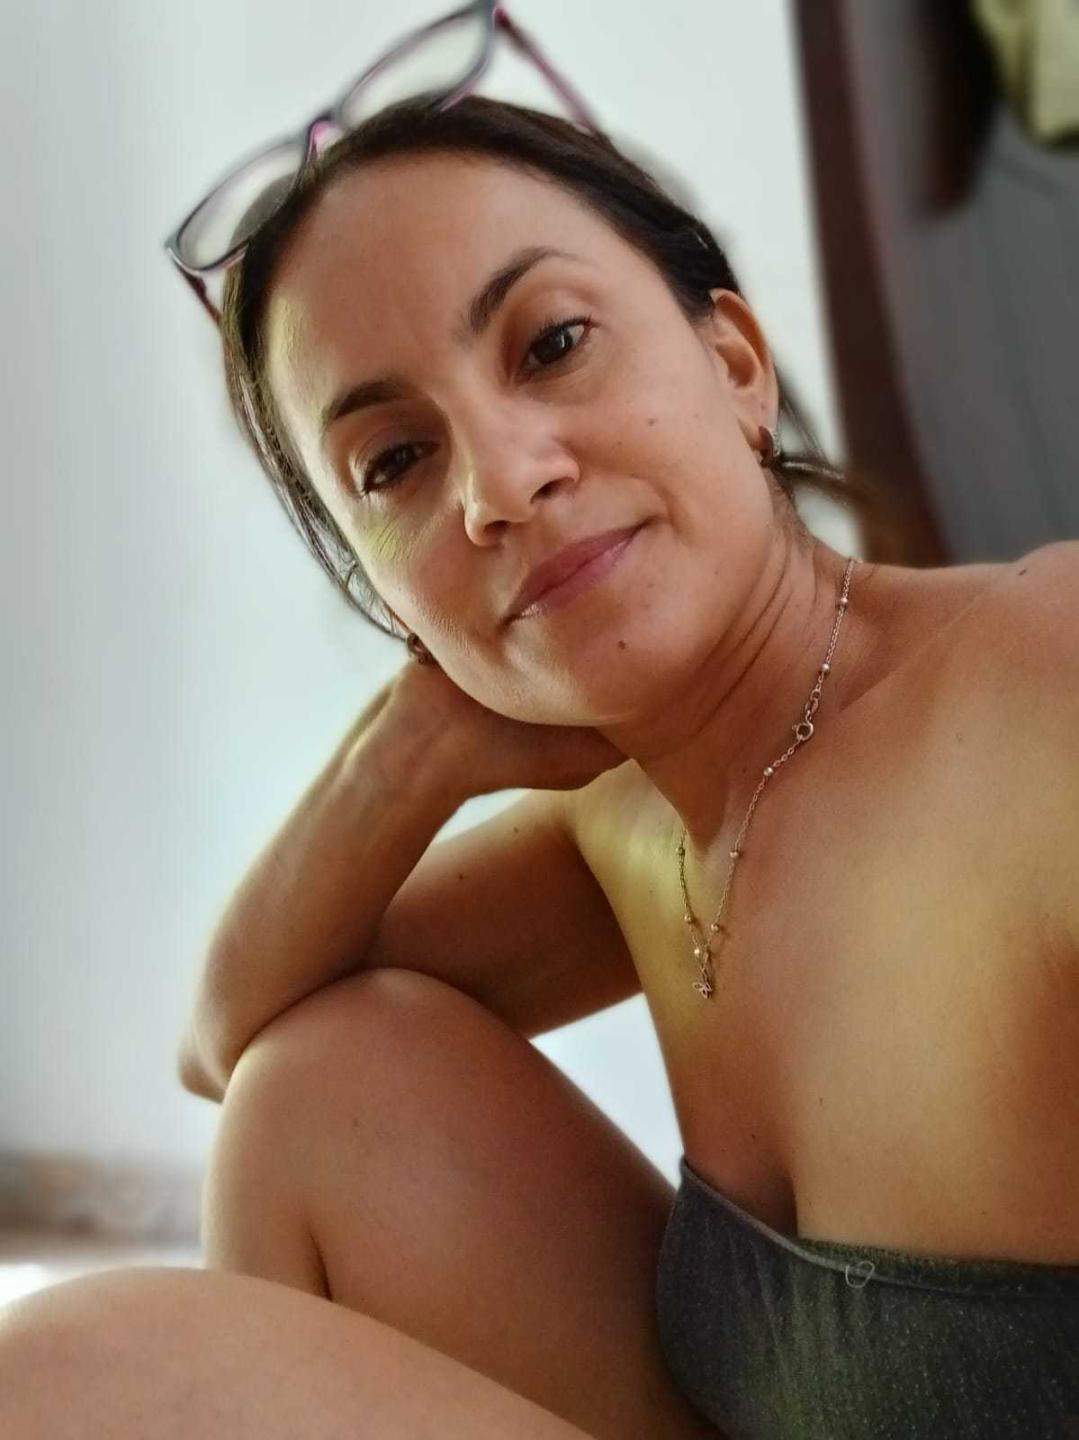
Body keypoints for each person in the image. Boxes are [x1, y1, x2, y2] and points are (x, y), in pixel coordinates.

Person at [2, 91, 1077, 1440]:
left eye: (553, 344)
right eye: (397, 459)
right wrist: (413, 748)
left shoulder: (1043, 691)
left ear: (735, 363)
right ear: (386, 595)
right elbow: (231, 1041)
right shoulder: (629, 824)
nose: (500, 483)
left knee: (73, 1369)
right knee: (318, 1084)